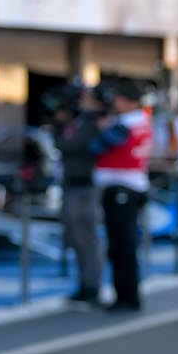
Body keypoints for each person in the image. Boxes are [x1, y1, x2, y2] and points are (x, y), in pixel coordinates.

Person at [92, 80, 153, 313]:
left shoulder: (125, 124)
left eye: (118, 98)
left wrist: (100, 126)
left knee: (121, 245)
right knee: (123, 244)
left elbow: (97, 146)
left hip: (122, 189)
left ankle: (126, 296)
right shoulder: (142, 121)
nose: (114, 102)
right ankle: (127, 294)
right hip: (131, 187)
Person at [56, 85, 105, 307]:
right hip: (73, 184)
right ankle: (86, 283)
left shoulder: (93, 123)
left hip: (85, 186)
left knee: (87, 238)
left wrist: (61, 124)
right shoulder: (78, 123)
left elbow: (70, 145)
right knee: (77, 238)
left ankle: (92, 286)